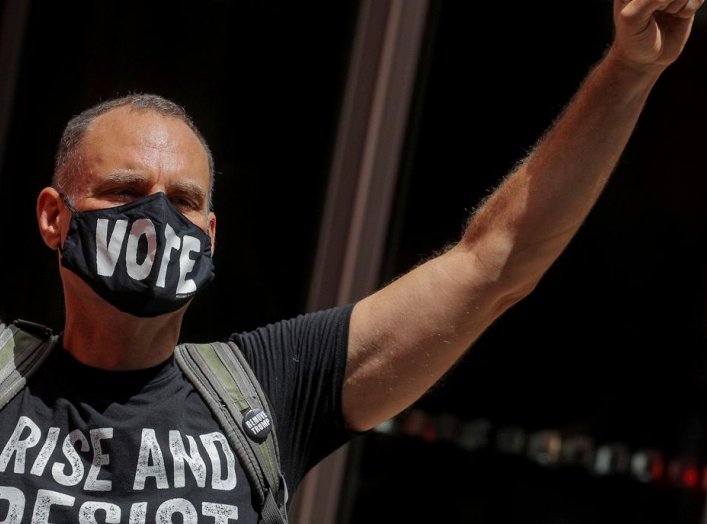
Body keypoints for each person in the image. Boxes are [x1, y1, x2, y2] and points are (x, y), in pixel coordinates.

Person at [0, 0, 702, 521]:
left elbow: (492, 265)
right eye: (124, 191)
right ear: (54, 216)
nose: (155, 219)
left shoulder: (264, 393)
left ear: (209, 235)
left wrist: (628, 70)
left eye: (181, 202)